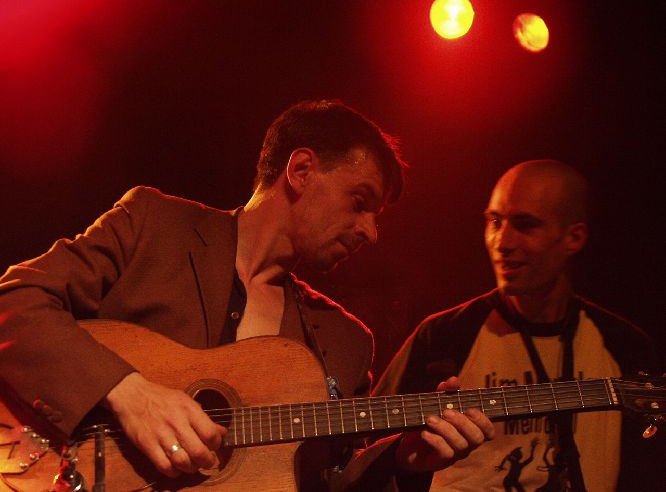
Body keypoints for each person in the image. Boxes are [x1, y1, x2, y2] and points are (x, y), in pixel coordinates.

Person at [0, 100, 494, 491]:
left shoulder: (345, 344)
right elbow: (15, 300)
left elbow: (332, 479)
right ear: (301, 170)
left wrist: (405, 457)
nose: (371, 232)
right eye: (359, 203)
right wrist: (131, 394)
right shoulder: (154, 226)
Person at [373, 160, 662, 491]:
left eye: (525, 225)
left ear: (575, 237)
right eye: (495, 221)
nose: (502, 241)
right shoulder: (442, 335)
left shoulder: (625, 345)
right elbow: (369, 455)